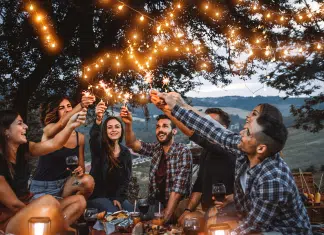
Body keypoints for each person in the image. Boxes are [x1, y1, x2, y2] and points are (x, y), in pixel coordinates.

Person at [154, 91, 312, 235]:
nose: (242, 131)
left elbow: (253, 227)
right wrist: (176, 106)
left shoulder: (272, 180)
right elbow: (211, 129)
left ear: (261, 148)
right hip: (253, 223)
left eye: (248, 132)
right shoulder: (246, 147)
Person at [0, 109, 88, 234]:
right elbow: (15, 205)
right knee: (48, 201)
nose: (26, 126)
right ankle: (61, 229)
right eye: (20, 123)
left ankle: (55, 229)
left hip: (27, 208)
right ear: (6, 131)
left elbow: (55, 144)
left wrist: (71, 125)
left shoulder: (23, 149)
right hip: (9, 220)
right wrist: (45, 209)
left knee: (79, 201)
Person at [152, 105, 236, 227]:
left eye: (209, 125)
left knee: (188, 221)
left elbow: (192, 134)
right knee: (164, 213)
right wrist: (188, 209)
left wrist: (170, 113)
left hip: (224, 207)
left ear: (223, 129)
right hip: (202, 204)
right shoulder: (206, 152)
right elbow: (199, 186)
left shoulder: (228, 150)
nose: (205, 128)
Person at [120, 106, 192, 223]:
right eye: (157, 127)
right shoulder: (156, 149)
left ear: (174, 131)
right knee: (127, 217)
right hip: (155, 204)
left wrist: (164, 218)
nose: (160, 130)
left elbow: (177, 190)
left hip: (176, 206)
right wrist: (128, 124)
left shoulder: (182, 151)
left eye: (165, 126)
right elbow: (131, 143)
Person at [30, 94, 95, 200]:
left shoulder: (80, 138)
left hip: (66, 184)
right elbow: (60, 124)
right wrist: (82, 105)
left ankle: (67, 203)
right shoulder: (49, 130)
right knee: (52, 212)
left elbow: (81, 167)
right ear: (55, 112)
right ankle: (61, 207)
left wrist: (80, 170)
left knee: (88, 181)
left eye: (69, 106)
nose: (67, 110)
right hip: (44, 187)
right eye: (62, 107)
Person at [87, 101, 134, 212]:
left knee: (132, 213)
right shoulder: (99, 148)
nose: (113, 130)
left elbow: (126, 180)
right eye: (109, 127)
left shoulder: (125, 152)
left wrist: (118, 198)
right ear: (105, 131)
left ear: (121, 130)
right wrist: (98, 119)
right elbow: (94, 137)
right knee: (114, 212)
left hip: (116, 197)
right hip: (98, 196)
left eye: (117, 127)